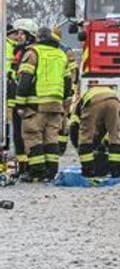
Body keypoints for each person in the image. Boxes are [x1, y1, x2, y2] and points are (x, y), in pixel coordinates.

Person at [15, 27, 70, 181]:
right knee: (51, 138)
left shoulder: (33, 53)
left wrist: (20, 103)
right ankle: (51, 172)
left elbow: (25, 79)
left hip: (36, 104)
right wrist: (63, 101)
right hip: (56, 104)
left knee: (33, 136)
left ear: (38, 38)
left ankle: (37, 172)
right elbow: (67, 82)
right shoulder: (61, 54)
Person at [6, 19, 38, 177]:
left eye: (21, 33)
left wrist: (20, 102)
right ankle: (23, 166)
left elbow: (25, 78)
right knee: (17, 135)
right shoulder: (18, 52)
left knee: (27, 135)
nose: (18, 36)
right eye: (17, 33)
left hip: (27, 101)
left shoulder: (30, 52)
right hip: (16, 99)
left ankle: (30, 167)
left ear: (30, 35)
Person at [72, 84, 120, 178]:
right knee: (115, 136)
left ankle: (88, 170)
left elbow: (74, 127)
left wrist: (79, 146)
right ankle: (116, 170)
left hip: (94, 100)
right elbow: (107, 131)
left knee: (86, 137)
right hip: (114, 100)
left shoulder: (78, 106)